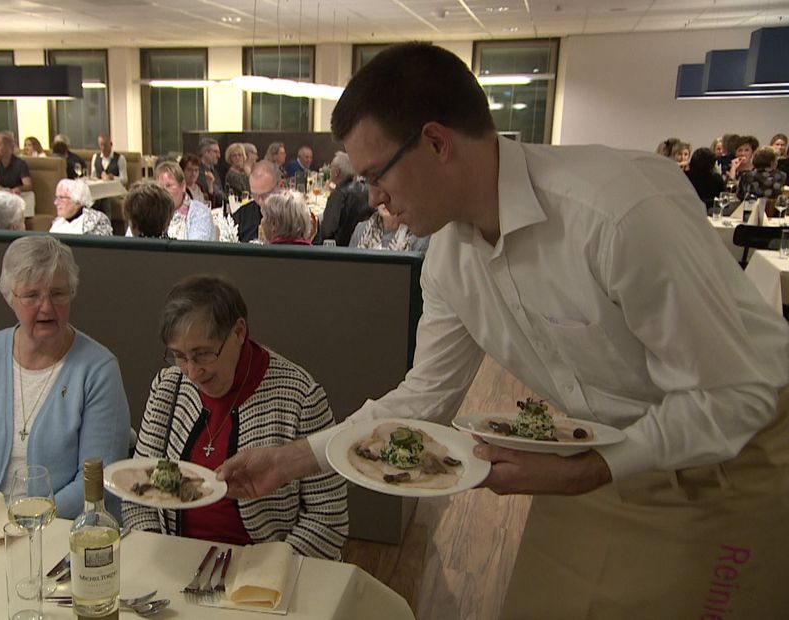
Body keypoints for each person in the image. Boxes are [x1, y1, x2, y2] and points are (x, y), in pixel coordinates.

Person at [215, 42, 789, 618]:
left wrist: (588, 469)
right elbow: (426, 395)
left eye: (375, 175)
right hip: (597, 455)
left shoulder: (615, 214)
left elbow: (737, 393)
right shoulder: (448, 258)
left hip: (733, 452)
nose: (373, 199)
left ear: (437, 142)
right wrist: (289, 460)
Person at [122, 275, 348, 558]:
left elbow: (328, 517)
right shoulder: (168, 387)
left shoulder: (299, 396)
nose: (191, 372)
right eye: (179, 356)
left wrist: (269, 570)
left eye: (203, 354)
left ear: (239, 332)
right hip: (175, 560)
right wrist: (159, 553)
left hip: (266, 571)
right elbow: (137, 493)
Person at [0, 236, 130, 517]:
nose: (46, 307)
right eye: (32, 295)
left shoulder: (98, 369)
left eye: (58, 294)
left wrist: (24, 523)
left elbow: (97, 480)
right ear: (10, 297)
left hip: (60, 531)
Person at [319, 151, 371, 245]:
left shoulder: (338, 194)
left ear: (336, 172)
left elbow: (327, 231)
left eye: (331, 168)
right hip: (362, 244)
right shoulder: (367, 190)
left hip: (340, 250)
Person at [155, 161, 215, 241]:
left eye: (168, 186)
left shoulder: (200, 212)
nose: (162, 192)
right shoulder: (151, 213)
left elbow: (194, 249)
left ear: (183, 186)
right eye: (159, 187)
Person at [350, 203, 429, 254]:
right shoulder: (361, 229)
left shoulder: (417, 234)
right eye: (381, 193)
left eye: (391, 195)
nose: (385, 202)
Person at [231, 161, 277, 243]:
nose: (260, 200)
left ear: (278, 187)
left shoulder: (290, 215)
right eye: (255, 195)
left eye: (264, 195)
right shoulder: (241, 216)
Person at [48, 178, 113, 236]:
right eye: (56, 197)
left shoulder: (97, 221)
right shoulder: (57, 222)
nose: (56, 203)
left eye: (61, 198)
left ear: (77, 202)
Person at [683, 147, 726, 213]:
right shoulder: (717, 179)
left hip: (687, 212)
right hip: (711, 214)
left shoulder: (684, 177)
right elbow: (723, 200)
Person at [0, 131, 32, 196]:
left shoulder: (20, 164)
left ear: (7, 146)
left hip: (18, 196)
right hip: (2, 196)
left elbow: (28, 186)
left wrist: (18, 189)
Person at [197, 137, 224, 207]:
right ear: (206, 152)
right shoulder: (198, 171)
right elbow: (217, 194)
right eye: (215, 152)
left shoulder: (214, 170)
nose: (219, 156)